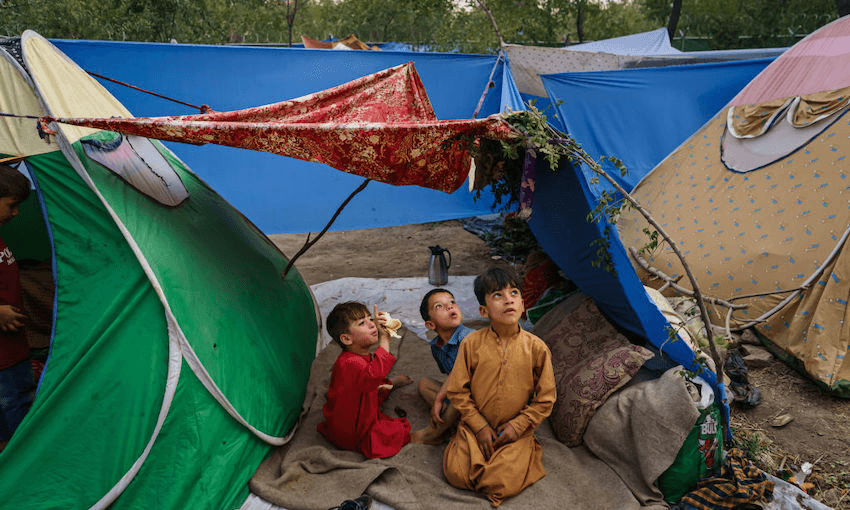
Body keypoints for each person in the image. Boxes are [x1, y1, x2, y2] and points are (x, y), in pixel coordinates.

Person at [442, 267, 556, 507]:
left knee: (502, 483)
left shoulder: (537, 348)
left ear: (523, 305)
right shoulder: (471, 344)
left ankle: (507, 458)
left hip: (515, 431)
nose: (508, 300)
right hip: (476, 427)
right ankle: (467, 443)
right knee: (456, 473)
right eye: (497, 295)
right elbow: (457, 391)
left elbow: (545, 398)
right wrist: (479, 426)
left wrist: (518, 425)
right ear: (483, 311)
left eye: (514, 293)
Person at [317, 301, 412, 459]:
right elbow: (375, 374)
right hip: (353, 434)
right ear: (346, 339)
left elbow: (373, 377)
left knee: (379, 386)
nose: (372, 325)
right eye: (362, 323)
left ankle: (391, 384)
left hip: (362, 395)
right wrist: (385, 338)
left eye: (370, 319)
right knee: (397, 433)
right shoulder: (350, 362)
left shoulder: (358, 356)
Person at [0, 164, 35, 453]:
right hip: (2, 359)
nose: (16, 213)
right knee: (12, 410)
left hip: (15, 351)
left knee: (21, 402)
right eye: (12, 206)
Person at [410, 288, 473, 445]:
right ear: (431, 325)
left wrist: (439, 398)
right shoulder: (436, 347)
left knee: (459, 394)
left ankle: (435, 432)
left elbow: (461, 374)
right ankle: (453, 422)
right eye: (439, 306)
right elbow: (450, 376)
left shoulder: (470, 338)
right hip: (461, 394)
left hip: (481, 395)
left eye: (452, 302)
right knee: (424, 384)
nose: (450, 307)